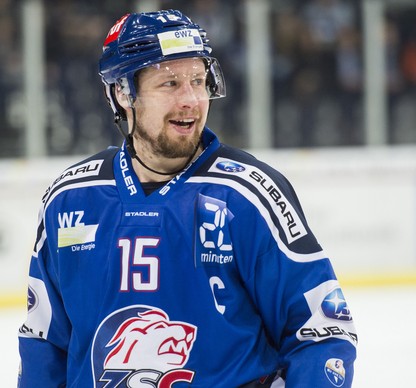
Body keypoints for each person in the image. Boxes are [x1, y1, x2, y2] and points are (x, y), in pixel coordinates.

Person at [17, 9, 357, 387]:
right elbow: (44, 341)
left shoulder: (248, 195)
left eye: (198, 80)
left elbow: (321, 332)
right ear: (122, 93)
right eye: (170, 84)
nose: (191, 99)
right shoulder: (70, 199)